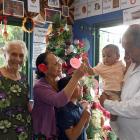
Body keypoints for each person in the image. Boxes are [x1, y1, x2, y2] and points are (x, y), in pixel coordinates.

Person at [32, 51, 87, 139]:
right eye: (55, 64)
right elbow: (59, 101)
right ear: (43, 68)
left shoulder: (59, 81)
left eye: (59, 62)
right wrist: (75, 78)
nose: (60, 65)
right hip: (45, 134)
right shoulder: (39, 86)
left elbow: (69, 98)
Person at [99, 24, 140, 140]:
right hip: (124, 134)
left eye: (129, 49)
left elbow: (136, 107)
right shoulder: (132, 65)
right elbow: (124, 92)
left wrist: (107, 103)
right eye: (125, 49)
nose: (126, 54)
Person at [0, 40, 32, 139]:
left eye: (21, 55)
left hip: (25, 131)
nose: (18, 59)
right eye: (13, 54)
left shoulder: (24, 77)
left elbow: (25, 103)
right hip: (4, 133)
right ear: (5, 55)